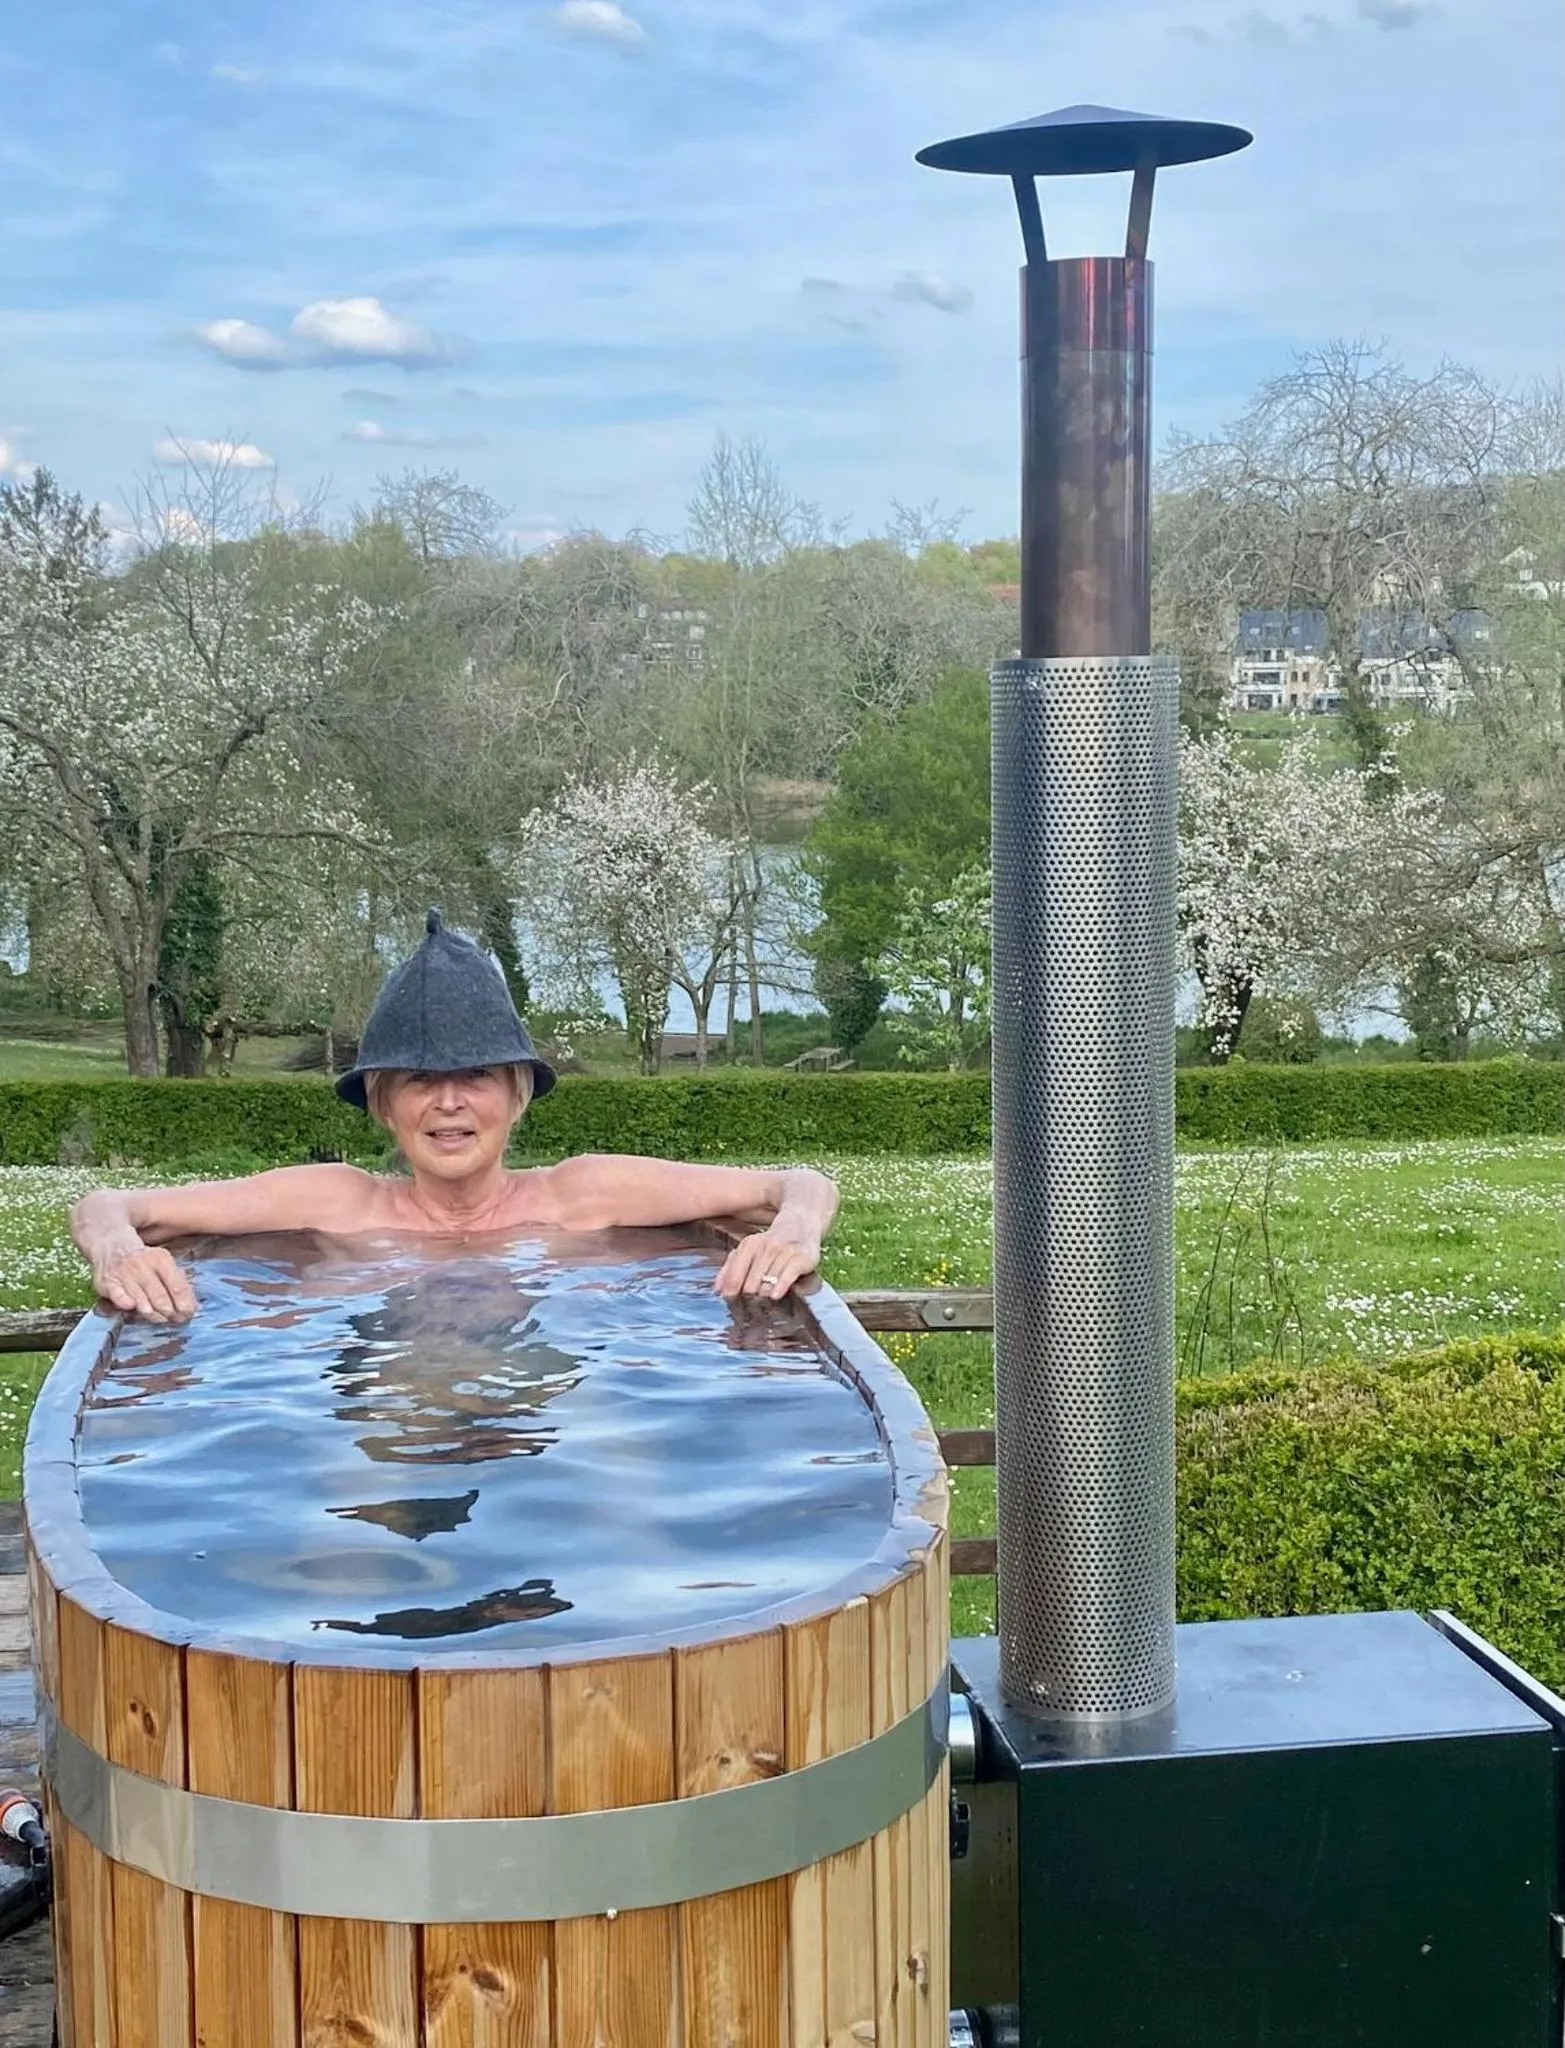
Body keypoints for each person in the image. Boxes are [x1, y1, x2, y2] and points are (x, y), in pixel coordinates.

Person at [71, 911, 838, 1325]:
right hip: (382, 1420)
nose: (447, 1102)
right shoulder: (338, 1202)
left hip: (549, 1424)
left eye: (473, 1076)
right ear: (382, 1102)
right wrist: (117, 1254)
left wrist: (791, 1236)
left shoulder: (581, 1194)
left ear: (516, 1093)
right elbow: (109, 1205)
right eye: (418, 1081)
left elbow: (796, 1184)